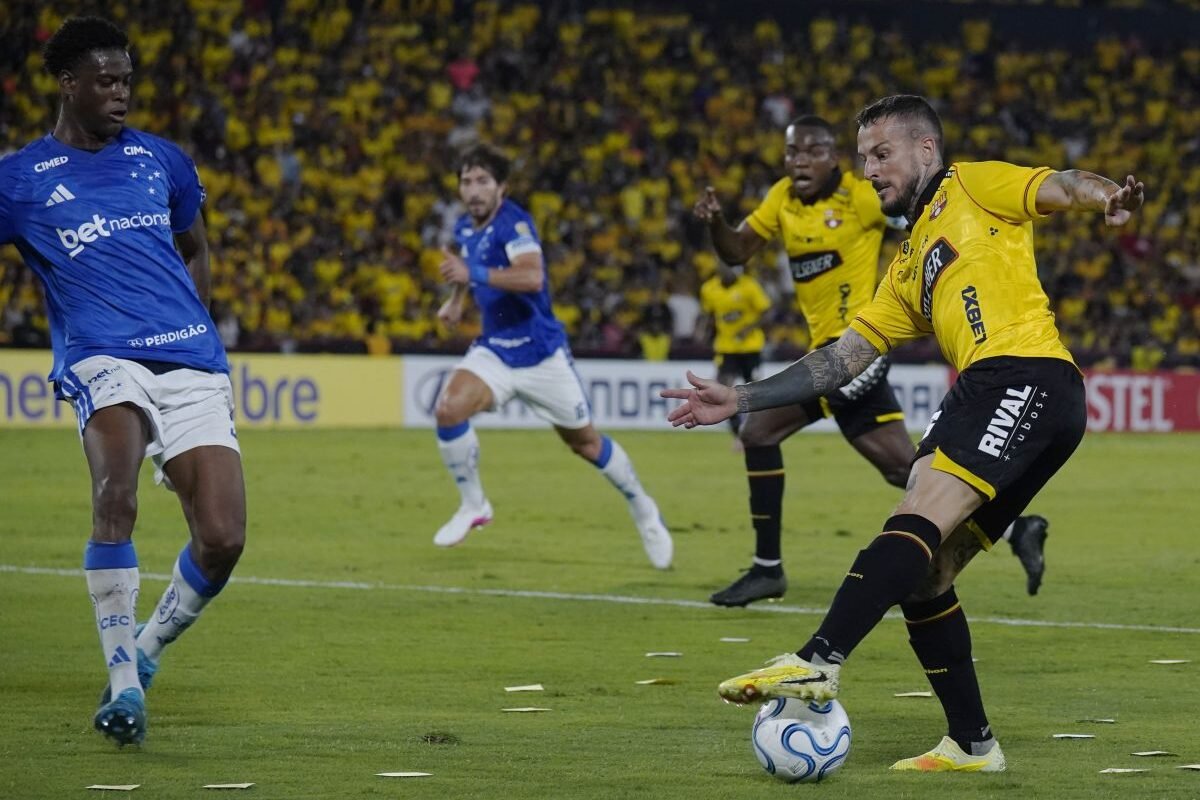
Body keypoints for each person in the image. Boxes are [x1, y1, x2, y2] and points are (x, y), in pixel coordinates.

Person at [664, 95, 1143, 772]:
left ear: (925, 149)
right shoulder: (908, 267)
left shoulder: (971, 184)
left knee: (916, 510)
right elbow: (839, 360)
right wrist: (740, 398)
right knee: (928, 575)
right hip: (994, 386)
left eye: (881, 154)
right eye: (864, 158)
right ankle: (972, 745)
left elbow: (1062, 185)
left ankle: (817, 660)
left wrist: (1106, 197)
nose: (869, 170)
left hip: (1024, 371)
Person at [0, 17, 246, 746]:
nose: (121, 93)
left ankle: (145, 649)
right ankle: (124, 688)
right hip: (102, 355)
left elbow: (195, 243)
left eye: (127, 80)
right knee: (116, 496)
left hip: (189, 358)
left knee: (223, 538)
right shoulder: (20, 180)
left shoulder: (162, 160)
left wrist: (194, 317)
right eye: (105, 81)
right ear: (67, 84)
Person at [693, 114, 1048, 607]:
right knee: (901, 467)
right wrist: (715, 222)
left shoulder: (860, 196)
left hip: (855, 349)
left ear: (834, 157)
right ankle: (1015, 526)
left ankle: (767, 568)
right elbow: (735, 252)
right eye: (792, 152)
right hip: (827, 352)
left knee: (757, 432)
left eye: (813, 151)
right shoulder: (781, 199)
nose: (800, 161)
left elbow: (916, 218)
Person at [432, 144, 672, 569]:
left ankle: (643, 508)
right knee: (449, 410)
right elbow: (470, 266)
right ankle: (474, 504)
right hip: (495, 350)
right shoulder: (466, 227)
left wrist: (474, 274)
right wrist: (456, 301)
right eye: (466, 181)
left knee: (586, 444)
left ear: (502, 187)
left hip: (542, 355)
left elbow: (532, 276)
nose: (473, 190)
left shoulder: (514, 223)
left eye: (483, 181)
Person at [696, 263, 771, 439]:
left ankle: (758, 429)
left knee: (754, 390)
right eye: (725, 266)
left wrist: (749, 328)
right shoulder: (709, 289)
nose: (730, 270)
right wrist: (703, 330)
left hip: (750, 346)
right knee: (723, 386)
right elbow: (708, 313)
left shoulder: (749, 286)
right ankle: (737, 431)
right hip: (726, 347)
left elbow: (766, 312)